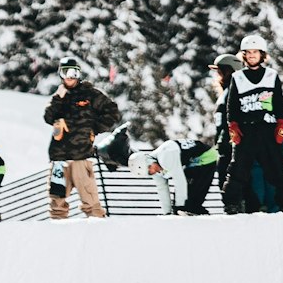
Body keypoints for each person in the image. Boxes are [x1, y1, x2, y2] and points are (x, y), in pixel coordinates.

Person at [222, 44, 283, 214]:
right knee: (237, 169)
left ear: (262, 55)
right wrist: (232, 126)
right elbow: (231, 106)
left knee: (278, 168)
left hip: (268, 129)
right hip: (246, 130)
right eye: (248, 53)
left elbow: (279, 103)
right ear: (244, 56)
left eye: (255, 52)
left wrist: (281, 124)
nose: (252, 56)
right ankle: (231, 204)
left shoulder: (271, 75)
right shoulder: (238, 77)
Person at [43, 56, 119, 220]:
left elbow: (112, 111)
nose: (70, 77)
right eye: (66, 72)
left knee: (91, 202)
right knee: (57, 203)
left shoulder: (89, 94)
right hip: (59, 158)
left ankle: (100, 232)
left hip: (81, 155)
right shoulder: (60, 96)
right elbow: (48, 117)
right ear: (61, 75)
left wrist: (95, 128)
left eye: (74, 72)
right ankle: (56, 235)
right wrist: (58, 98)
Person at [128, 140, 218, 215]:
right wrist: (167, 213)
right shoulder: (154, 167)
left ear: (149, 159)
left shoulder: (165, 157)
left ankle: (203, 220)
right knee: (185, 203)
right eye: (149, 173)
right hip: (192, 163)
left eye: (149, 167)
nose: (152, 171)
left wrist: (179, 208)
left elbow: (180, 181)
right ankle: (196, 213)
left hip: (207, 157)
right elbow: (162, 189)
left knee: (190, 203)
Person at [207, 53, 242, 190]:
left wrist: (226, 138)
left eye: (220, 72)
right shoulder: (226, 92)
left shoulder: (234, 92)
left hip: (231, 144)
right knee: (223, 179)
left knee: (229, 179)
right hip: (224, 144)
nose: (218, 76)